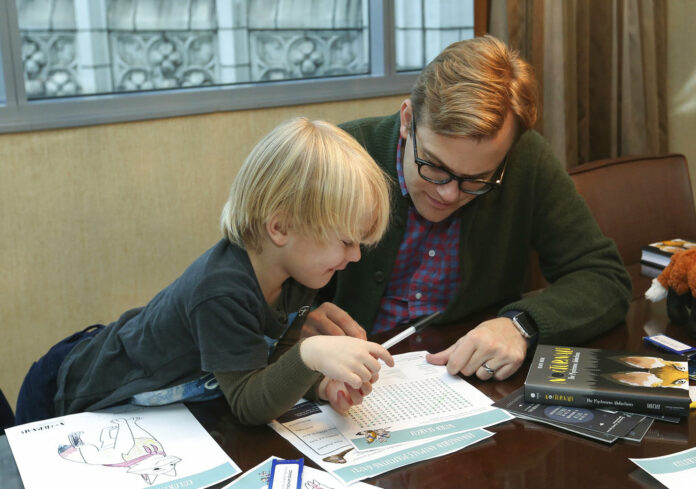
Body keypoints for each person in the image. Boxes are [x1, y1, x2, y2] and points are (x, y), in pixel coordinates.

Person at [301, 35, 632, 410]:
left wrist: (520, 325)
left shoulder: (525, 161)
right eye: (435, 167)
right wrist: (295, 322)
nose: (449, 195)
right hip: (343, 394)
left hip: (471, 390)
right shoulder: (339, 158)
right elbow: (239, 286)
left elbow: (605, 278)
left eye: (477, 180)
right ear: (408, 120)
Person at [14, 117, 394, 426]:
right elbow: (249, 405)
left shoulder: (297, 278)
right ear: (280, 228)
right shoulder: (223, 290)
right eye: (346, 241)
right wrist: (310, 354)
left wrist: (320, 385)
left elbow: (263, 372)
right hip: (68, 391)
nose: (356, 256)